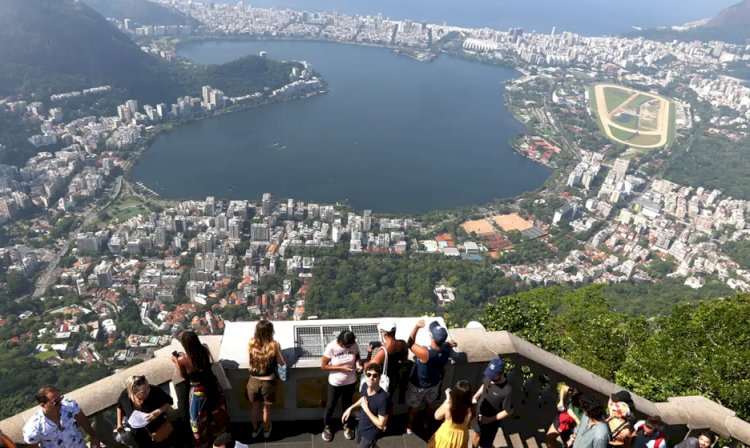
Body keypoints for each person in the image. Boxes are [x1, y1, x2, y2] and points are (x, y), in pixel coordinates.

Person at [172, 331, 229, 446]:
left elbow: (183, 375)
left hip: (197, 389)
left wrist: (176, 361)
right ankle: (217, 435)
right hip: (211, 383)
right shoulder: (204, 350)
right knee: (213, 410)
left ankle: (201, 439)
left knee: (196, 416)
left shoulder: (183, 359)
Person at [405, 319, 453, 434]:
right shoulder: (446, 349)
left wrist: (416, 327)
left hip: (419, 385)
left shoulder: (425, 353)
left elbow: (410, 343)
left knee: (413, 407)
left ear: (432, 338)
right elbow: (448, 345)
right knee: (429, 404)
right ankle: (426, 421)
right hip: (435, 383)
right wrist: (450, 343)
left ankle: (409, 425)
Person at [22, 386, 101, 448]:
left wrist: (94, 441)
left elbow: (86, 424)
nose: (60, 403)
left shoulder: (69, 405)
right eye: (55, 402)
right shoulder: (33, 428)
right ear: (43, 405)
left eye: (60, 399)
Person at [247, 319, 286, 439]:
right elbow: (282, 362)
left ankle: (254, 430)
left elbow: (250, 361)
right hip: (268, 382)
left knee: (254, 407)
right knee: (266, 409)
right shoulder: (274, 345)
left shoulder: (251, 343)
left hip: (253, 381)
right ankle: (266, 430)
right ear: (270, 331)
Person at [321, 330, 361, 442]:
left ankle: (347, 426)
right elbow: (323, 366)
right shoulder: (331, 347)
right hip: (335, 383)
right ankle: (327, 426)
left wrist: (358, 364)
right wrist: (341, 368)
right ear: (341, 342)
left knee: (347, 405)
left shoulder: (354, 344)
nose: (350, 347)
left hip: (351, 381)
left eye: (351, 345)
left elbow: (357, 356)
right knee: (331, 405)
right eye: (348, 345)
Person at [116, 375, 175, 447]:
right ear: (134, 392)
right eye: (143, 392)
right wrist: (119, 424)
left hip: (159, 432)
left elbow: (169, 401)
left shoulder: (154, 390)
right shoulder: (125, 395)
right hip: (139, 438)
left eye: (148, 388)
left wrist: (158, 411)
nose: (147, 392)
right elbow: (119, 405)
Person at [342, 363, 390, 448]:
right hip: (361, 426)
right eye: (368, 375)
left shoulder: (383, 398)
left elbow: (381, 424)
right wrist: (350, 408)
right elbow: (362, 400)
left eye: (375, 375)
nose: (371, 378)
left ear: (379, 377)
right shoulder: (365, 386)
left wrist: (366, 409)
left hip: (370, 434)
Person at [471, 359, 513, 448]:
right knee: (476, 434)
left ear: (500, 373)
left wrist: (489, 419)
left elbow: (507, 411)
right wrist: (475, 396)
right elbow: (484, 386)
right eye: (489, 374)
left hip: (491, 423)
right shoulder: (488, 377)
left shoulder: (506, 390)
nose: (490, 378)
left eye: (493, 375)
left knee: (485, 444)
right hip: (479, 413)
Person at [364, 321, 409, 403]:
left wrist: (369, 353)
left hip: (384, 380)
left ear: (384, 333)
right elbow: (404, 360)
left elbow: (368, 367)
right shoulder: (402, 344)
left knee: (381, 402)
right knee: (389, 400)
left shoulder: (383, 351)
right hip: (395, 377)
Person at [428, 380, 475, 448]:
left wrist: (447, 399)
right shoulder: (471, 408)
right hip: (461, 438)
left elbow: (437, 416)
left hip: (447, 437)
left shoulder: (448, 405)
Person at [546, 384, 583, 448]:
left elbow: (582, 425)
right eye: (569, 397)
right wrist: (561, 401)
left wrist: (573, 416)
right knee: (549, 438)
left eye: (571, 399)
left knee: (567, 445)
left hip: (572, 427)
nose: (569, 399)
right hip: (562, 419)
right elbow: (563, 387)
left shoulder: (583, 407)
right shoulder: (573, 391)